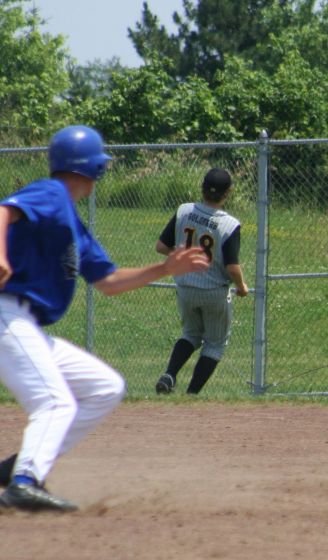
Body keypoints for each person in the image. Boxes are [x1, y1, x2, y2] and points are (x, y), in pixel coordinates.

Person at [0, 125, 209, 512]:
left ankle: (18, 468)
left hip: (24, 325)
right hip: (6, 316)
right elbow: (3, 210)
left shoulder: (73, 223)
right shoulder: (51, 193)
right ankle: (23, 484)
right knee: (55, 402)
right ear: (92, 168)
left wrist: (164, 269)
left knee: (105, 387)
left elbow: (109, 281)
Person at [154, 168, 248, 396]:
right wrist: (241, 287)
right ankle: (192, 394)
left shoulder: (184, 211)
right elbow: (232, 266)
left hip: (185, 286)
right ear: (229, 193)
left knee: (190, 334)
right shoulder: (229, 224)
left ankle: (170, 374)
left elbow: (161, 246)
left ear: (202, 188)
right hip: (213, 289)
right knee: (215, 344)